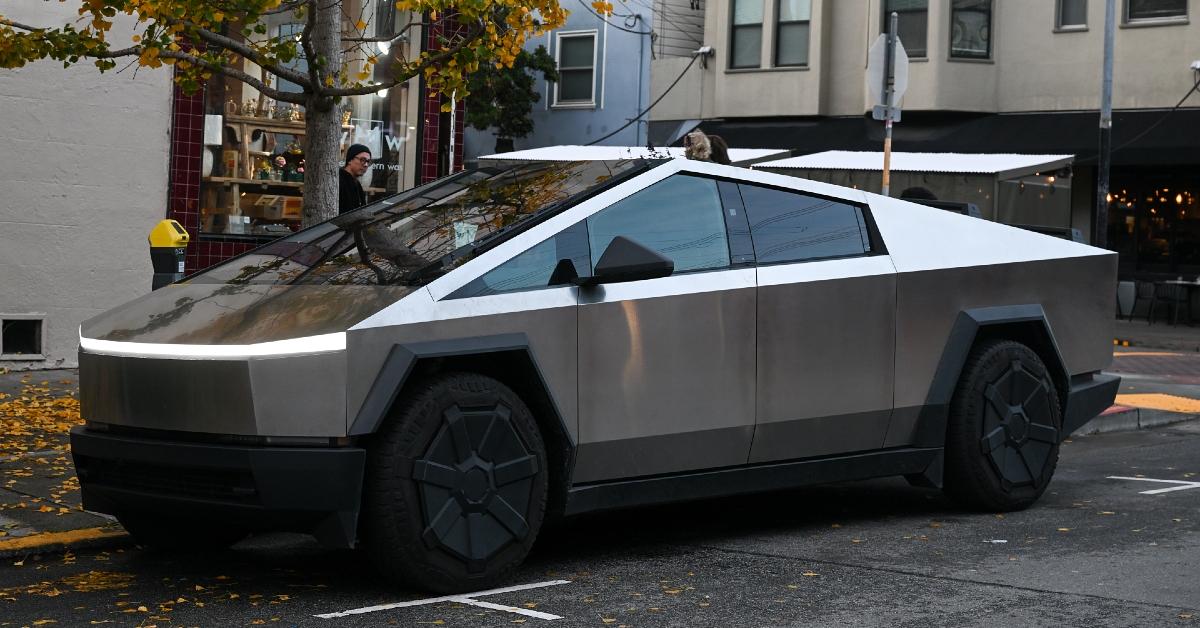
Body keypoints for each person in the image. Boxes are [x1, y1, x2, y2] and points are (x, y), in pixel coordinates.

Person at [339, 143, 371, 214]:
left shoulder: (356, 183)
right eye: (362, 160)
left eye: (368, 161)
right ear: (350, 160)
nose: (366, 165)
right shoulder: (339, 180)